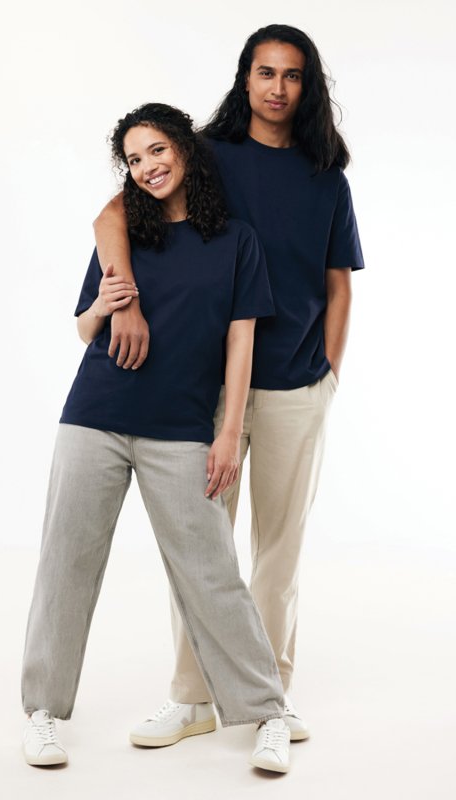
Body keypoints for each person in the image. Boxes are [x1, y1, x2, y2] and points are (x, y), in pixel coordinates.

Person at [92, 25, 365, 745]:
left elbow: (339, 285)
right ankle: (192, 698)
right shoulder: (205, 155)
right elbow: (114, 213)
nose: (277, 87)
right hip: (205, 389)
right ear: (245, 78)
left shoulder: (326, 180)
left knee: (279, 552)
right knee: (200, 550)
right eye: (265, 72)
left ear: (307, 87)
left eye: (292, 75)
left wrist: (329, 375)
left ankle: (271, 700)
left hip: (296, 389)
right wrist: (127, 302)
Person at [20, 103, 294, 774]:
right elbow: (85, 328)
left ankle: (269, 713)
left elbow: (240, 344)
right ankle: (43, 712)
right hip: (95, 416)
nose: (147, 167)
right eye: (134, 159)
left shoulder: (236, 241)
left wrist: (228, 432)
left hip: (181, 429)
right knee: (65, 565)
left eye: (156, 150)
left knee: (212, 574)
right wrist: (106, 305)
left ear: (184, 149)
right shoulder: (125, 235)